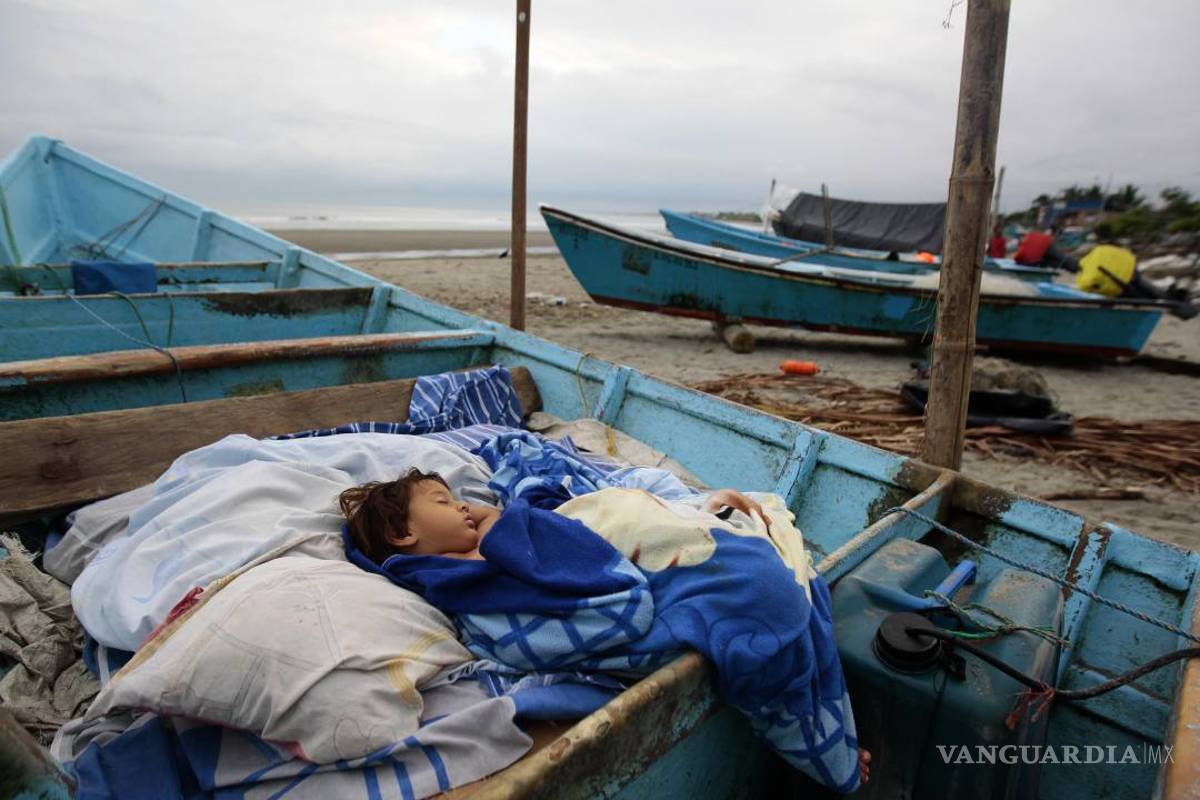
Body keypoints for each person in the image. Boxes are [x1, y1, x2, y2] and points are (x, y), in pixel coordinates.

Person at [340, 468, 872, 786]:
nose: (462, 503)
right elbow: (619, 609)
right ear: (401, 532)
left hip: (666, 559)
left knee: (787, 586)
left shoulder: (486, 551)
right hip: (670, 593)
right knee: (768, 596)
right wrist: (508, 527)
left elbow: (591, 523)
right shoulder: (473, 592)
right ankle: (830, 752)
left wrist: (518, 515)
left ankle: (833, 736)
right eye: (441, 501)